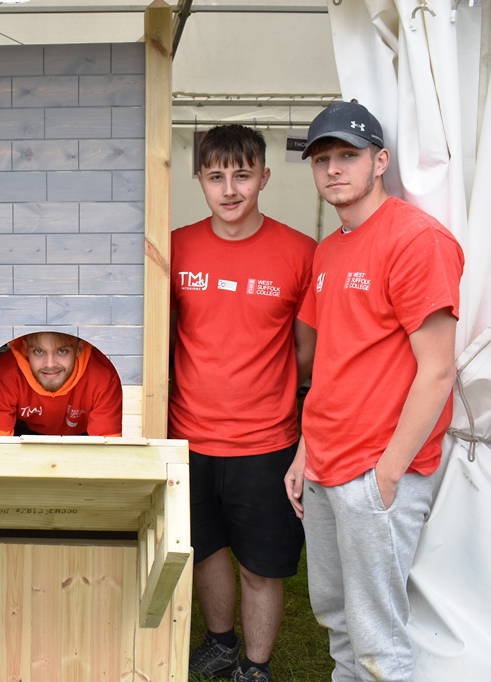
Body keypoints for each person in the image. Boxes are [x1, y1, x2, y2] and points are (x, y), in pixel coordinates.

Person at [285, 101, 464, 682]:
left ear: (380, 160)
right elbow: (333, 362)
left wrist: (387, 475)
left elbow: (437, 370)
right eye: (322, 159)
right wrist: (305, 454)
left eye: (347, 156)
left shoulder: (416, 240)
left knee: (378, 641)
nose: (333, 169)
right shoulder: (330, 248)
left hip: (376, 471)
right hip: (325, 465)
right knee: (337, 621)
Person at [171, 124, 316, 682]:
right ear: (200, 181)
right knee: (205, 551)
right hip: (189, 437)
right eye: (215, 176)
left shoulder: (301, 252)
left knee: (260, 566)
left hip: (266, 443)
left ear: (265, 176)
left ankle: (255, 666)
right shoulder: (177, 247)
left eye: (242, 175)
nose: (229, 189)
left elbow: (306, 356)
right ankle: (220, 641)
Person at [0, 332, 122, 437]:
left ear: (79, 348)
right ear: (26, 348)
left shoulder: (104, 374)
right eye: (39, 351)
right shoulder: (4, 373)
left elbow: (108, 452)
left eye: (62, 351)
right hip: (24, 433)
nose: (50, 364)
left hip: (84, 436)